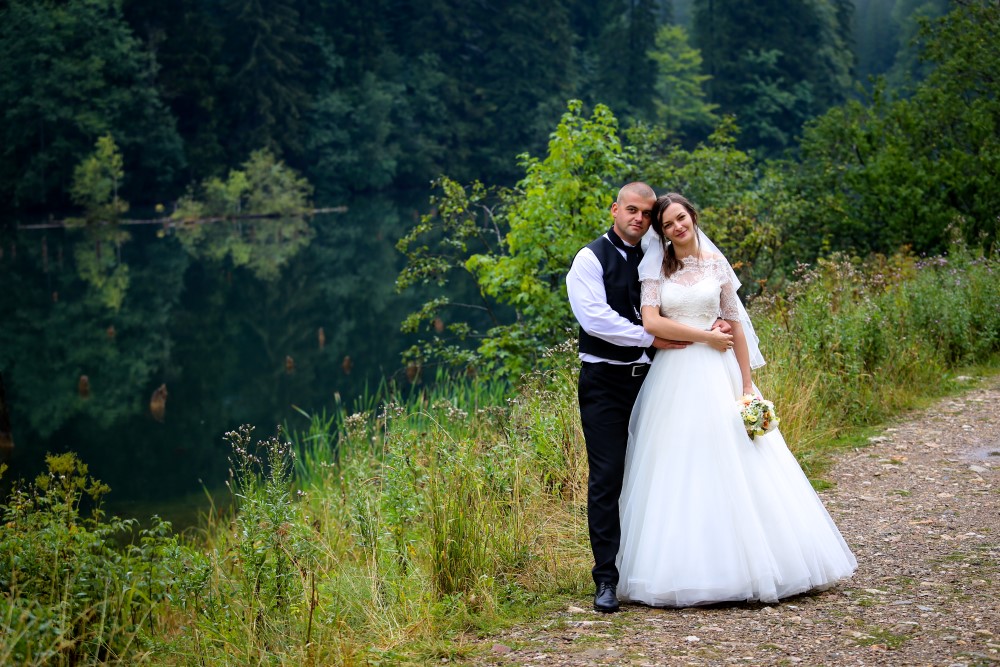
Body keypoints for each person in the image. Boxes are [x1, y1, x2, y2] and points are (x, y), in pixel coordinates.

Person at [615, 193, 857, 607]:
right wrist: (706, 336)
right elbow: (652, 321)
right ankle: (684, 569)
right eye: (668, 224)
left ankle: (760, 563)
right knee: (679, 462)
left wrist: (747, 384)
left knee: (742, 457)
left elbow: (737, 325)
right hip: (675, 374)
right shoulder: (656, 267)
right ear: (662, 233)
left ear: (692, 217)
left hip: (720, 372)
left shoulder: (715, 264)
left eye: (681, 218)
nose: (677, 227)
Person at [566, 183, 731, 613]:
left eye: (646, 213)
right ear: (615, 209)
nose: (639, 218)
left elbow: (694, 294)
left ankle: (679, 565)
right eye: (632, 210)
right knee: (608, 477)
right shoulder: (589, 259)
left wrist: (714, 325)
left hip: (658, 380)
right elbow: (595, 319)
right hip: (606, 382)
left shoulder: (660, 254)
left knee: (668, 471)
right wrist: (648, 337)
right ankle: (606, 579)